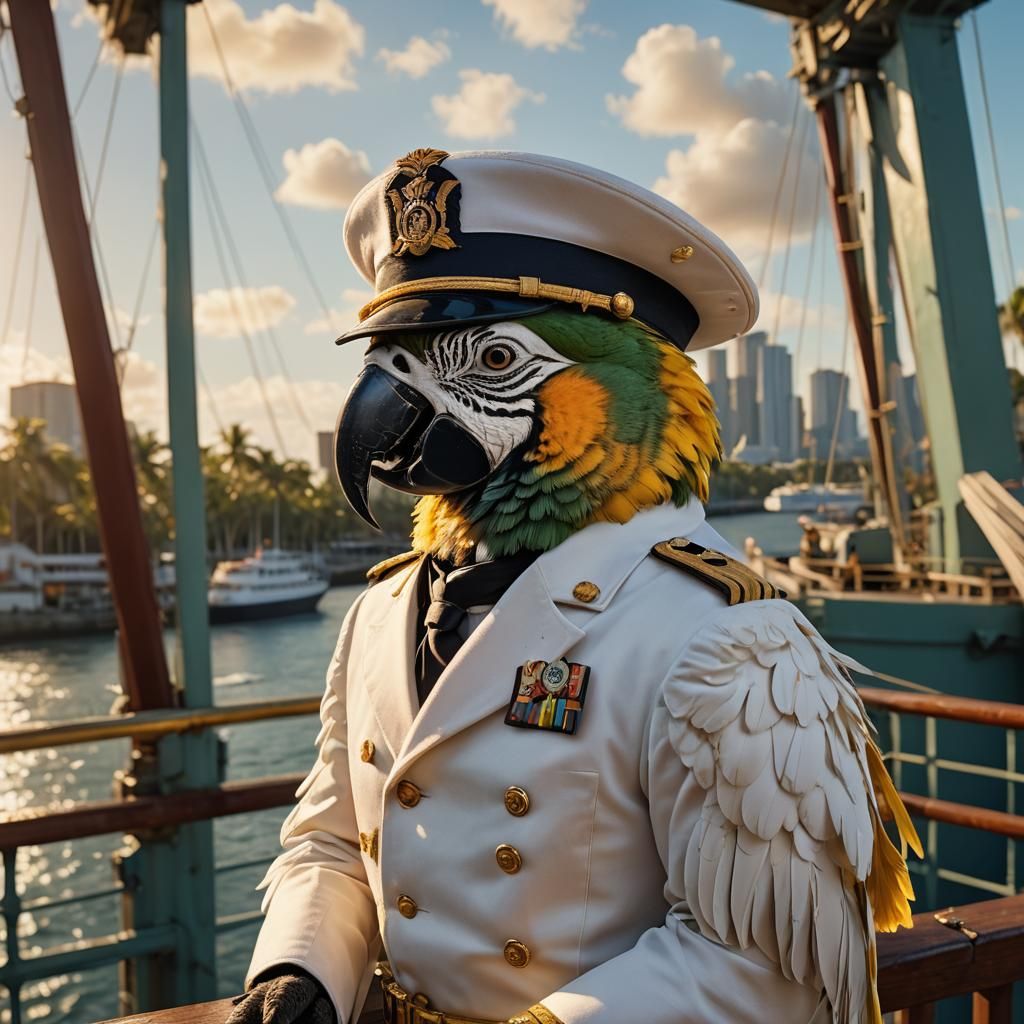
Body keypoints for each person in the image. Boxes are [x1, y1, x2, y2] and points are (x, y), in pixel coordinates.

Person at [227, 149, 920, 1024]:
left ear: (630, 397)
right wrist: (300, 969)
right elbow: (334, 840)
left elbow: (761, 973)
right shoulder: (380, 611)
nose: (400, 393)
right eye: (396, 361)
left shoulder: (727, 641)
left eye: (495, 361)